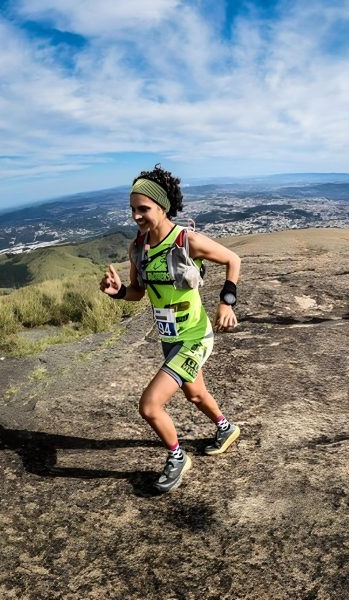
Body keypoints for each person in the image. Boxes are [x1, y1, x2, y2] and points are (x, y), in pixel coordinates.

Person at [99, 164, 241, 493]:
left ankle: (177, 457)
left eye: (143, 208)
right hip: (169, 339)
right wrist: (118, 291)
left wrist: (227, 302)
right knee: (194, 393)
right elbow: (138, 293)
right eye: (132, 209)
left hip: (194, 336)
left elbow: (233, 259)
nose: (136, 215)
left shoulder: (186, 241)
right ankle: (225, 428)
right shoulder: (138, 249)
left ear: (162, 207)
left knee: (149, 405)